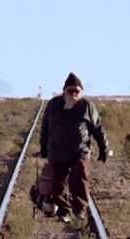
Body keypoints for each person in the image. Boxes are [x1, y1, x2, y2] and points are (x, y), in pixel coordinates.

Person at [37, 72, 110, 221]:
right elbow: (45, 128)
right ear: (64, 91)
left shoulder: (87, 106)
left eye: (77, 91)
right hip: (57, 152)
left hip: (79, 151)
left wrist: (104, 148)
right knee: (58, 184)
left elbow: (97, 128)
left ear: (81, 92)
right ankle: (64, 210)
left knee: (79, 179)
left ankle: (80, 209)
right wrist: (43, 147)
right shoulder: (53, 105)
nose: (73, 94)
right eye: (70, 91)